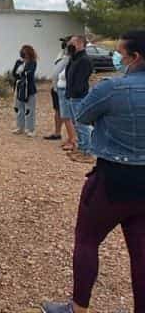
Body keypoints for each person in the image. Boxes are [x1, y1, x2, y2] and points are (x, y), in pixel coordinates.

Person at [40, 29, 145, 313]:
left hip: (112, 179)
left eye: (120, 54)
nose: (117, 58)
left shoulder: (111, 89)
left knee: (87, 240)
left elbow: (82, 115)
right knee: (141, 253)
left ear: (134, 57)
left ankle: (78, 307)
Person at [65, 35, 94, 163]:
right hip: (72, 96)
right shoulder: (74, 58)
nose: (69, 45)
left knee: (82, 125)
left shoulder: (84, 60)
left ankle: (88, 152)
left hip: (79, 97)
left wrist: (75, 92)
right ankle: (82, 148)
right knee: (76, 124)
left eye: (72, 43)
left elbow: (81, 81)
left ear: (80, 44)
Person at [45, 39, 77, 149]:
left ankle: (73, 139)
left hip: (64, 89)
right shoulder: (62, 55)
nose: (65, 45)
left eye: (67, 43)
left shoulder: (72, 58)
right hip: (56, 88)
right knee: (58, 111)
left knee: (67, 115)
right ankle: (58, 133)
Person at [12, 45, 38, 137]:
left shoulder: (33, 62)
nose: (23, 54)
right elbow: (14, 73)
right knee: (19, 108)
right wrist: (21, 74)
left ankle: (31, 129)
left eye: (25, 52)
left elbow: (29, 74)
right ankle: (20, 127)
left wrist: (21, 73)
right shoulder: (18, 62)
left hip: (29, 89)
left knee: (30, 109)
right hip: (19, 88)